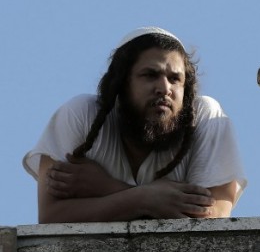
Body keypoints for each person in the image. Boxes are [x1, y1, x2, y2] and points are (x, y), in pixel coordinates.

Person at [23, 27, 247, 223]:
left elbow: (212, 221)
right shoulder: (82, 113)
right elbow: (52, 215)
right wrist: (146, 198)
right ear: (122, 83)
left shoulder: (205, 117)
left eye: (175, 79)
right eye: (150, 75)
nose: (164, 88)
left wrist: (110, 188)